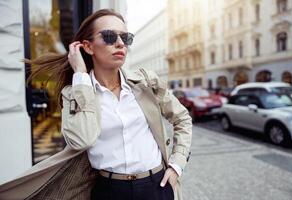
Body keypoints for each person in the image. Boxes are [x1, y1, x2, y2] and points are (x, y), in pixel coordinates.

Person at [0, 9, 192, 200]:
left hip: (156, 186)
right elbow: (82, 140)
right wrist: (81, 77)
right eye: (109, 36)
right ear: (88, 47)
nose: (119, 43)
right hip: (108, 191)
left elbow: (182, 118)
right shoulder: (75, 93)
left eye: (125, 38)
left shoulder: (146, 81)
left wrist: (176, 166)